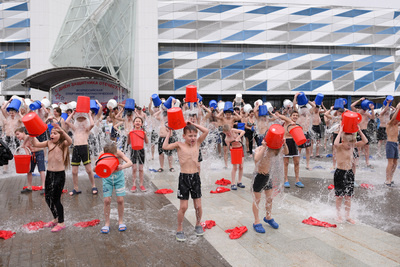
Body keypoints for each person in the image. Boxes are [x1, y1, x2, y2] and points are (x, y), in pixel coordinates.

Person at [162, 121, 209, 242]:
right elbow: (165, 147)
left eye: (194, 135)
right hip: (184, 177)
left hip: (195, 177)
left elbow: (206, 131)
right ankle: (179, 228)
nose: (193, 138)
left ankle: (198, 224)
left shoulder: (198, 143)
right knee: (184, 207)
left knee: (198, 205)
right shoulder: (179, 144)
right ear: (184, 136)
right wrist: (169, 133)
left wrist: (194, 124)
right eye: (190, 135)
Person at [30, 123, 72, 232]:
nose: (52, 135)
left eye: (55, 133)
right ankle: (55, 218)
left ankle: (61, 222)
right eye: (51, 133)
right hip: (50, 174)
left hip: (59, 175)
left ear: (60, 135)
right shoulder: (49, 143)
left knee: (56, 199)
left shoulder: (63, 144)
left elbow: (70, 141)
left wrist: (62, 131)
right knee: (48, 198)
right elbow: (36, 144)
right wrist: (31, 133)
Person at [252, 137, 288, 233]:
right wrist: (264, 146)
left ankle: (268, 217)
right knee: (257, 200)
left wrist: (284, 143)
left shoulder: (274, 150)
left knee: (269, 198)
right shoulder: (260, 148)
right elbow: (256, 159)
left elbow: (286, 153)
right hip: (259, 176)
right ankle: (256, 221)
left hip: (268, 176)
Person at [334, 125, 367, 224]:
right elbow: (335, 143)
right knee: (339, 196)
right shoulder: (339, 147)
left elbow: (365, 141)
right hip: (340, 172)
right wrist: (340, 131)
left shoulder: (352, 146)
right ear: (343, 141)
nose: (351, 147)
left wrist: (359, 131)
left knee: (348, 196)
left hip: (349, 173)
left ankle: (347, 216)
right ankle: (338, 215)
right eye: (349, 145)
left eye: (352, 144)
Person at [98, 142, 133, 234]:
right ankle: (107, 223)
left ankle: (120, 221)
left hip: (119, 177)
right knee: (107, 200)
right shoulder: (102, 154)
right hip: (107, 177)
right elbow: (96, 166)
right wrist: (97, 169)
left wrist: (122, 166)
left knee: (120, 200)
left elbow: (130, 162)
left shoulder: (118, 152)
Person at [65, 110, 97, 195]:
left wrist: (89, 114)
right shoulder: (75, 129)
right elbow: (67, 121)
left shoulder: (86, 129)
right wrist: (72, 113)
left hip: (84, 147)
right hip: (76, 148)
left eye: (83, 119)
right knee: (74, 171)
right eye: (79, 119)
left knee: (89, 170)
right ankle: (76, 188)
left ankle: (93, 186)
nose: (81, 121)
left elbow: (92, 124)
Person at [275, 111, 304, 188]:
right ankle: (286, 180)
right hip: (286, 142)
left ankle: (297, 180)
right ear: (290, 116)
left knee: (297, 162)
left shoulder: (297, 125)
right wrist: (290, 121)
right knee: (286, 162)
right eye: (293, 115)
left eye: (296, 115)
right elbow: (283, 117)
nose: (295, 116)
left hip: (294, 143)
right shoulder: (288, 122)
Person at [15, 127, 46, 195]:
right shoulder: (24, 143)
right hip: (32, 154)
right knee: (29, 170)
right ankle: (29, 187)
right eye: (16, 135)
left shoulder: (29, 137)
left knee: (41, 170)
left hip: (39, 152)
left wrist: (23, 144)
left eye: (18, 134)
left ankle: (44, 187)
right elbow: (27, 153)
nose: (17, 136)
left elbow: (29, 135)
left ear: (23, 133)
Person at [351, 97, 375, 168]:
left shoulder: (367, 113)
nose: (366, 110)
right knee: (358, 147)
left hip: (365, 130)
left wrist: (372, 110)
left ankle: (367, 162)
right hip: (358, 131)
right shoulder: (357, 111)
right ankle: (357, 162)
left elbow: (373, 118)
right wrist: (359, 100)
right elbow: (351, 106)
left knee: (367, 147)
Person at [222, 124, 245, 190]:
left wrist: (238, 137)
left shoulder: (234, 131)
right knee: (235, 167)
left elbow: (243, 132)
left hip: (240, 148)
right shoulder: (226, 139)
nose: (229, 134)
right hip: (234, 150)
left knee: (241, 166)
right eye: (227, 133)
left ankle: (239, 182)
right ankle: (233, 183)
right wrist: (232, 149)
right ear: (224, 132)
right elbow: (229, 147)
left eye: (229, 132)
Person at [129, 117, 149, 192]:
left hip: (141, 150)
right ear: (133, 123)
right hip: (133, 150)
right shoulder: (131, 131)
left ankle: (141, 184)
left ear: (142, 124)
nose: (137, 122)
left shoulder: (143, 132)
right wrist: (128, 135)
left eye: (139, 121)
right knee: (134, 168)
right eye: (136, 121)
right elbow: (128, 143)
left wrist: (145, 135)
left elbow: (146, 142)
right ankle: (134, 185)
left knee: (141, 169)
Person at [385, 102, 400, 186]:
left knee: (395, 163)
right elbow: (394, 116)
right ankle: (387, 180)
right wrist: (398, 108)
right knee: (390, 163)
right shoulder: (389, 124)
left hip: (395, 144)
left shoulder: (396, 125)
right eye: (396, 119)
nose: (397, 120)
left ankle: (391, 178)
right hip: (390, 144)